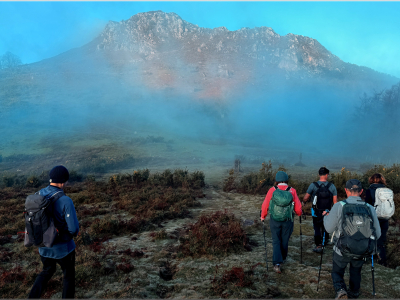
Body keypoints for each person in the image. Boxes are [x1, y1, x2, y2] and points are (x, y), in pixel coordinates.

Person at [324, 179, 381, 299]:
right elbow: (378, 233)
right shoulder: (370, 208)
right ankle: (354, 292)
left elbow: (329, 229)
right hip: (362, 248)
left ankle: (340, 290)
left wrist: (325, 217)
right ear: (361, 191)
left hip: (341, 249)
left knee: (337, 271)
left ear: (346, 190)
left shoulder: (339, 206)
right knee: (356, 271)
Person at [29, 165, 79, 299]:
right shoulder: (65, 200)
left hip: (43, 246)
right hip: (63, 249)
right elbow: (73, 229)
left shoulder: (37, 195)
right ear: (63, 181)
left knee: (47, 271)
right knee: (68, 275)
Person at [260, 171, 302, 273]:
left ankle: (277, 264)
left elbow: (265, 204)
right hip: (288, 221)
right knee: (284, 240)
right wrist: (299, 214)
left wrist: (263, 216)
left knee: (276, 241)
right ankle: (282, 258)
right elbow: (298, 208)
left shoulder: (272, 190)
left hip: (274, 220)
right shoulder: (292, 191)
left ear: (276, 181)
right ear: (287, 180)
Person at [303, 167, 337, 253]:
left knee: (317, 227)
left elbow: (306, 197)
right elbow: (335, 202)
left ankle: (318, 244)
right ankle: (324, 241)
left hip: (316, 211)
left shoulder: (313, 185)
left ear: (319, 175)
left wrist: (303, 203)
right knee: (325, 227)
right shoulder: (331, 186)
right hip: (327, 211)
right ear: (327, 175)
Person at [364, 173, 391, 266]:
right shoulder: (388, 190)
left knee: (370, 237)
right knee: (381, 239)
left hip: (373, 217)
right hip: (385, 217)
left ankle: (369, 258)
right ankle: (382, 260)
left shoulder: (369, 190)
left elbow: (366, 205)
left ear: (371, 180)